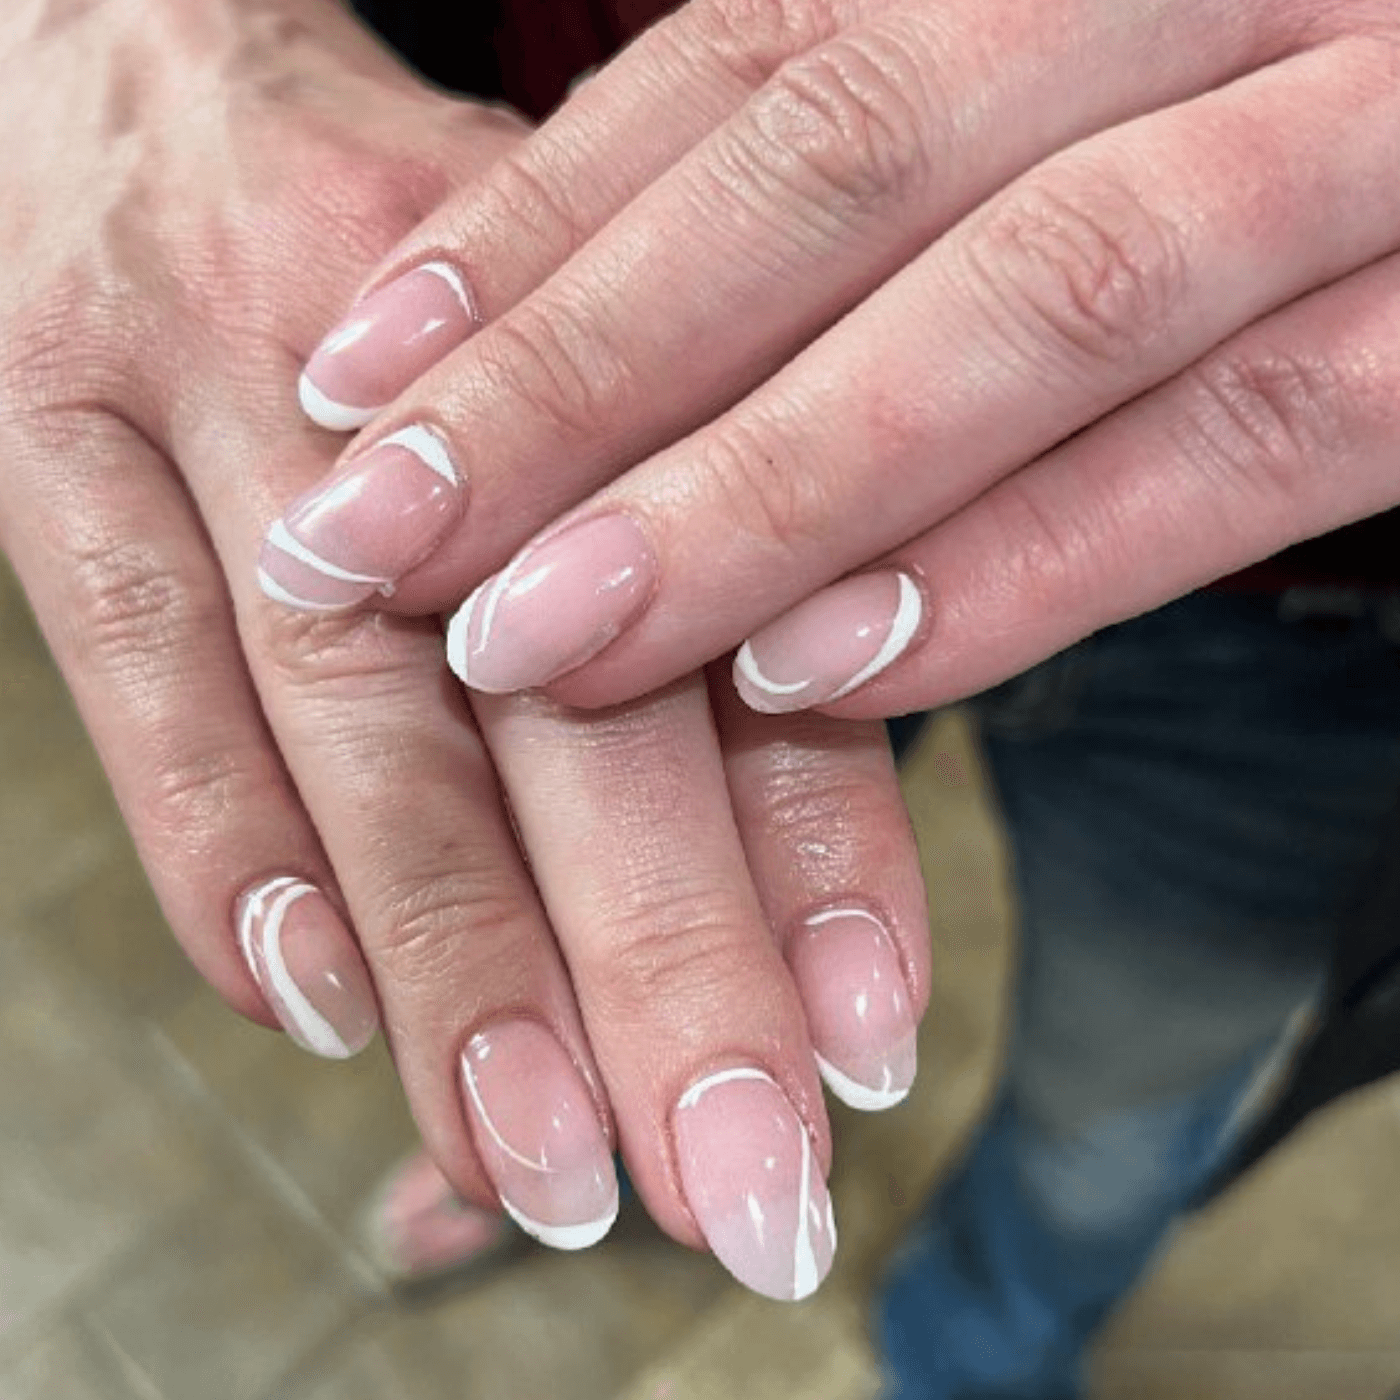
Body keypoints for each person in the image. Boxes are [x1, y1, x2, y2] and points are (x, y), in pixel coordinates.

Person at [5, 0, 1400, 1395]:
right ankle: (591, 1146)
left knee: (1109, 1127)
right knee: (606, 931)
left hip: (1315, 613)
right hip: (628, 320)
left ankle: (975, 1353)